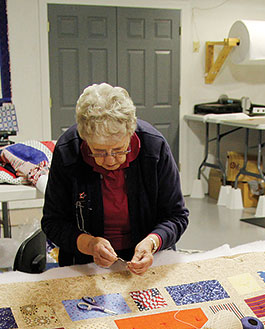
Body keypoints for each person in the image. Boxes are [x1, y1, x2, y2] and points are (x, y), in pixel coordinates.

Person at [42, 83, 189, 274]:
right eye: (99, 152)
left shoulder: (154, 147)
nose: (110, 160)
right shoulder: (68, 151)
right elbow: (53, 222)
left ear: (130, 133)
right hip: (85, 263)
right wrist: (89, 244)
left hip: (147, 259)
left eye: (120, 150)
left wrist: (152, 242)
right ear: (85, 139)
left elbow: (177, 216)